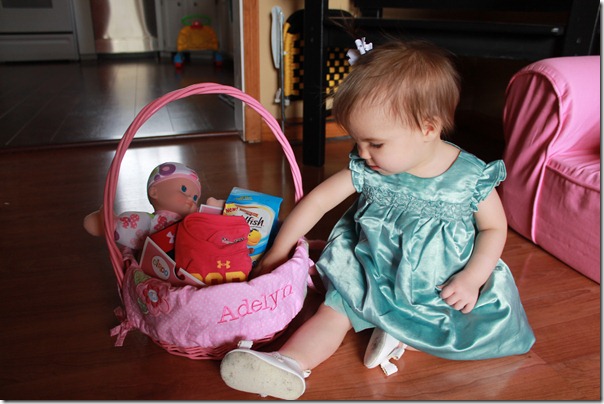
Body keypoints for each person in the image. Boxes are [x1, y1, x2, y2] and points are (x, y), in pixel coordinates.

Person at [219, 39, 536, 400]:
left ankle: (397, 335)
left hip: (436, 283)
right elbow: (317, 201)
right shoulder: (370, 168)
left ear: (428, 128)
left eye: (375, 144)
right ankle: (288, 362)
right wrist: (279, 250)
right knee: (333, 311)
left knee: (456, 322)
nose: (362, 153)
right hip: (371, 270)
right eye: (357, 141)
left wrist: (472, 278)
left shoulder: (470, 178)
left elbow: (494, 228)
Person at [83, 161, 202, 250]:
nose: (190, 199)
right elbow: (132, 226)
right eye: (183, 189)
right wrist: (111, 225)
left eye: (195, 198)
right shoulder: (153, 222)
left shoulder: (192, 220)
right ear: (154, 192)